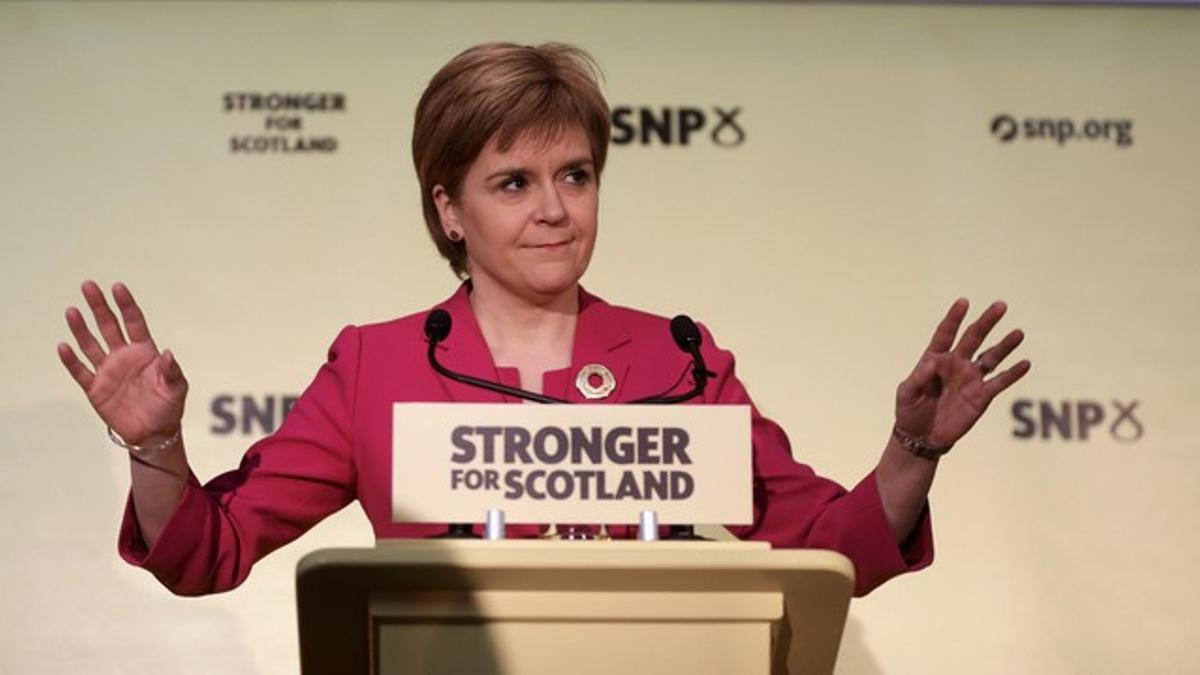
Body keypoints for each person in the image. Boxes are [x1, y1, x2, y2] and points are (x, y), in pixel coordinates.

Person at [57, 42, 1029, 598]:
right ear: (449, 209)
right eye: (513, 182)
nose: (555, 209)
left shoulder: (676, 357)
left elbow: (832, 548)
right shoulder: (378, 366)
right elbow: (206, 552)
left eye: (576, 175)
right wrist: (157, 448)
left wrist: (912, 446)